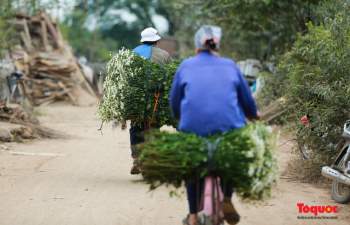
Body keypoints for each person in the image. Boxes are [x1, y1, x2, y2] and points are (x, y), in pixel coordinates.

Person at [169, 25, 259, 225]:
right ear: (217, 46)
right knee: (233, 157)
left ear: (196, 47)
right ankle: (227, 198)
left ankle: (192, 215)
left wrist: (180, 118)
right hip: (228, 130)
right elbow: (247, 101)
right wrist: (253, 114)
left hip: (193, 129)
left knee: (192, 168)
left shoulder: (185, 66)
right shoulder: (230, 65)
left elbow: (174, 102)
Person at [129, 27, 171, 175]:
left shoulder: (133, 53)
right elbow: (169, 77)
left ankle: (136, 158)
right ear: (157, 41)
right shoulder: (165, 55)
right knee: (154, 127)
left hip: (136, 100)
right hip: (156, 99)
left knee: (135, 127)